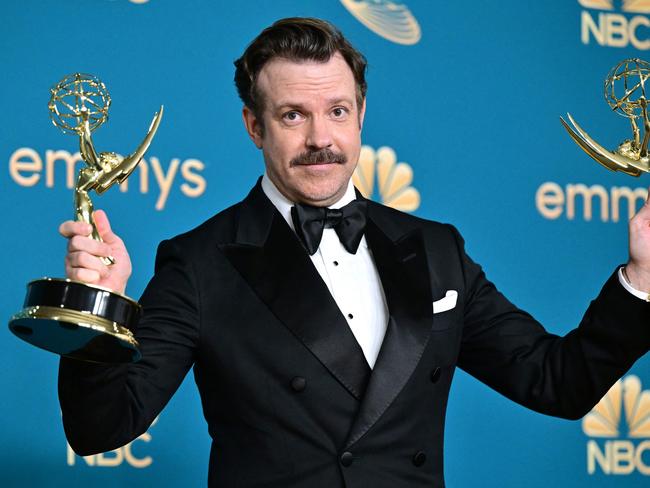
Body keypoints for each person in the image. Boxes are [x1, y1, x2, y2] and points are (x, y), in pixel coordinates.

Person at [58, 17, 650, 488]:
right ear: (254, 126)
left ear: (361, 114)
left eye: (337, 111)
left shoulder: (437, 249)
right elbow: (102, 427)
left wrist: (641, 278)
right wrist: (95, 307)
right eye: (293, 115)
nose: (321, 139)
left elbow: (559, 382)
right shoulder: (201, 260)